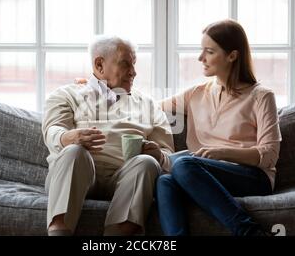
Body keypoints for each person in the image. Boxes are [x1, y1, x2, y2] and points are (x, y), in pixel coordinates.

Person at [156, 19, 282, 236]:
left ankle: (248, 232)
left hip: (253, 177)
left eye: (209, 51)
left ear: (232, 56)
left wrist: (221, 152)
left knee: (184, 165)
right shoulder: (196, 93)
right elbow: (148, 107)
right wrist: (100, 92)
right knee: (165, 181)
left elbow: (269, 155)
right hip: (204, 173)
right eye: (201, 50)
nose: (200, 58)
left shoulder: (261, 96)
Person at [42, 35, 174, 236]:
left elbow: (168, 155)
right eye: (125, 64)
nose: (133, 72)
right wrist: (68, 138)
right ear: (99, 65)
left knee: (146, 162)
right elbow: (53, 129)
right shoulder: (66, 94)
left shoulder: (148, 104)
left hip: (125, 177)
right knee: (73, 152)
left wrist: (158, 154)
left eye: (134, 64)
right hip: (79, 172)